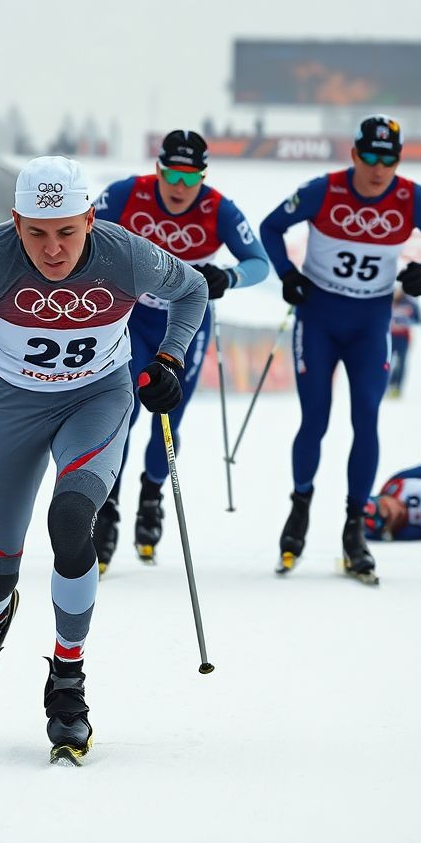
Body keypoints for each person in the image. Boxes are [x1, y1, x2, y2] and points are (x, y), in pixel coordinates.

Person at [0, 156, 207, 763]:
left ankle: (68, 679)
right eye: (37, 232)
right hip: (10, 403)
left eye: (67, 231)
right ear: (15, 222)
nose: (53, 249)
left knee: (71, 520)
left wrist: (170, 360)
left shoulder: (125, 254)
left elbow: (192, 291)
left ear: (90, 218)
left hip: (96, 397)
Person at [259, 115, 421, 580]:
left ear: (398, 162)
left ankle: (354, 527)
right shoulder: (323, 189)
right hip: (320, 318)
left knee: (366, 417)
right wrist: (288, 277)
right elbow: (271, 227)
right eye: (369, 155)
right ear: (353, 155)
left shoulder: (411, 198)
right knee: (316, 418)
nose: (377, 167)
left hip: (371, 322)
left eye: (388, 158)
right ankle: (300, 507)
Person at [91, 129, 269, 570]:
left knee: (169, 415)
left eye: (190, 178)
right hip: (131, 318)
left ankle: (151, 496)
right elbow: (84, 233)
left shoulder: (219, 208)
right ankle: (107, 510)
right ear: (158, 169)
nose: (179, 187)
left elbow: (259, 263)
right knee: (123, 411)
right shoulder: (127, 193)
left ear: (202, 177)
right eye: (172, 174)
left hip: (185, 322)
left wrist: (228, 277)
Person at [386, 288, 420, 397]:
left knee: (401, 364)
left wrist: (406, 321)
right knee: (387, 363)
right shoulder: (388, 302)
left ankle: (397, 387)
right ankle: (386, 386)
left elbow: (417, 319)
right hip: (389, 337)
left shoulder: (409, 303)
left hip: (403, 338)